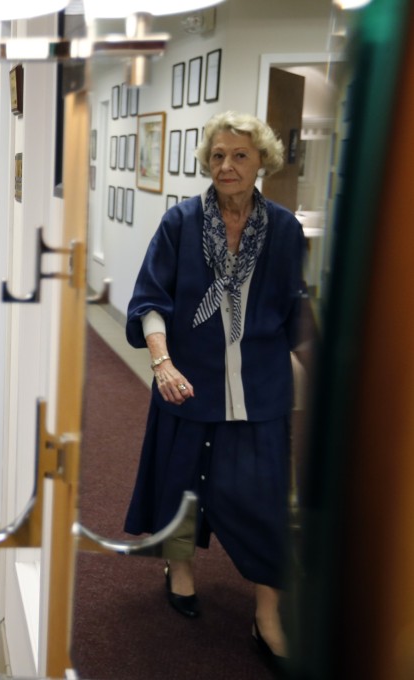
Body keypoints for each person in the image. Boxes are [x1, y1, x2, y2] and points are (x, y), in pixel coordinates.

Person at [123, 111, 309, 666]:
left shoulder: (284, 230)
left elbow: (296, 312)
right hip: (187, 385)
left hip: (259, 393)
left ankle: (268, 613)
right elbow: (151, 299)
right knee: (180, 486)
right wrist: (162, 363)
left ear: (263, 163)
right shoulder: (180, 223)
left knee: (263, 501)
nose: (226, 166)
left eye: (240, 156)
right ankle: (179, 570)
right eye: (218, 155)